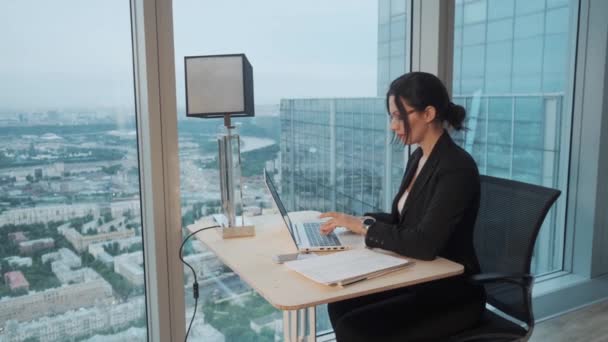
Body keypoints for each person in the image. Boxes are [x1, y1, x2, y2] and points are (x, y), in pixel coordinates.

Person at [319, 72, 486, 341]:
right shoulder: (420, 157)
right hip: (418, 277)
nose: (393, 126)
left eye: (399, 116)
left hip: (450, 293)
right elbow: (404, 221)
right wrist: (352, 221)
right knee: (340, 304)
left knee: (354, 328)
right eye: (392, 117)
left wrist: (364, 228)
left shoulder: (456, 167)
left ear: (428, 113)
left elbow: (423, 243)